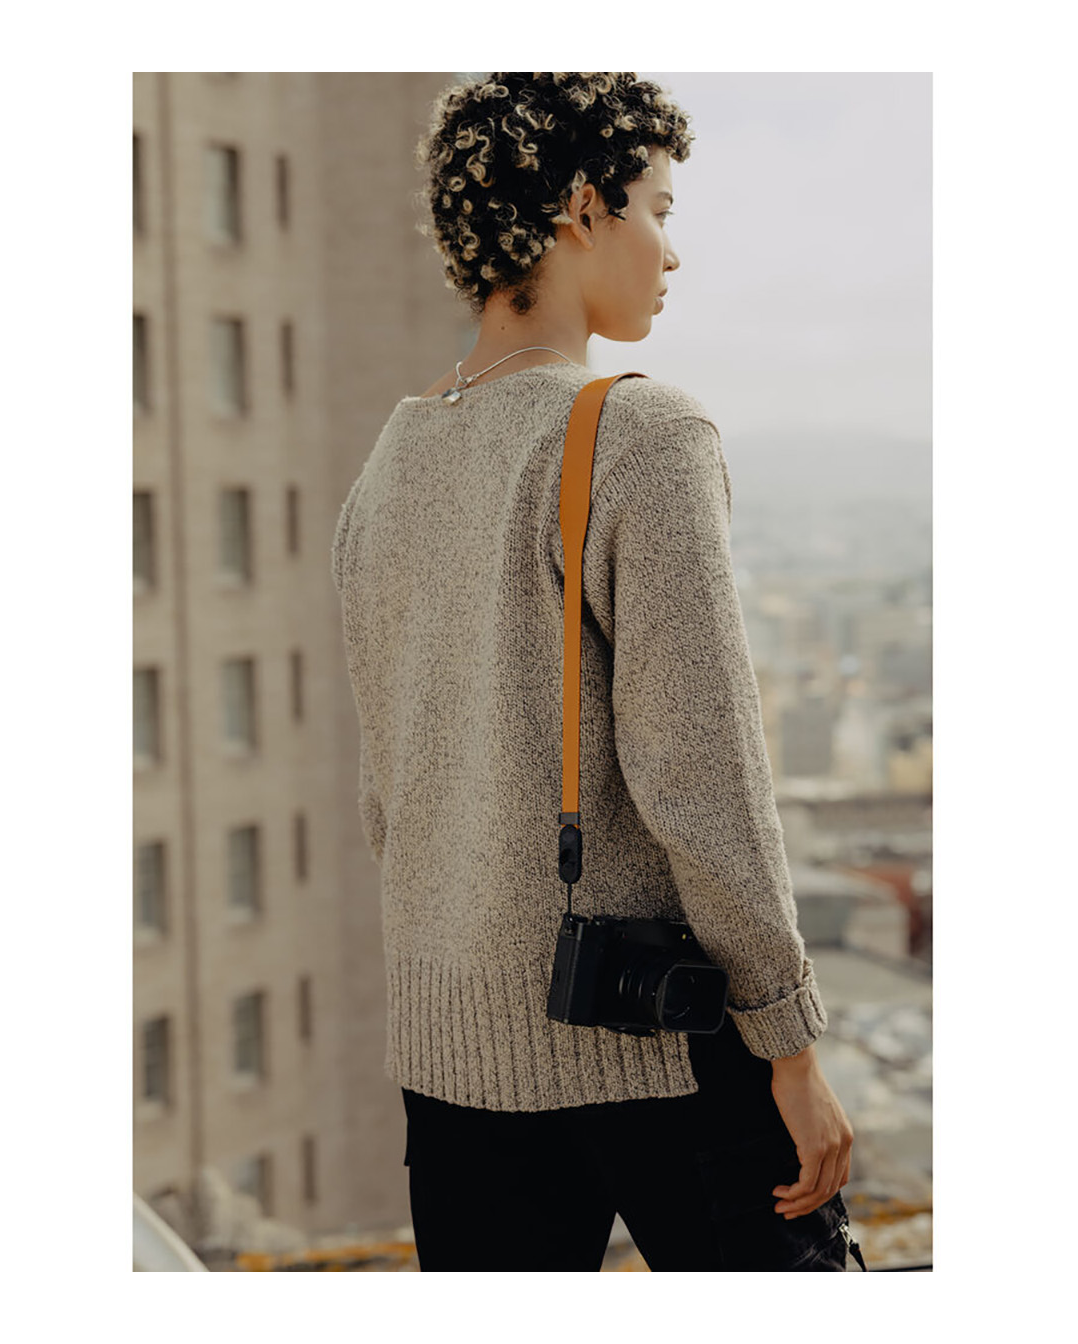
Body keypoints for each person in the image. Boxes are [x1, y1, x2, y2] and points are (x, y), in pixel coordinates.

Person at [331, 72, 863, 1272]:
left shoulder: (389, 463)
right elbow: (701, 780)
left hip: (453, 1064)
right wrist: (790, 1047)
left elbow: (385, 800)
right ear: (582, 207)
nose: (671, 253)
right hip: (653, 1034)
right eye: (658, 210)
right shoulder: (642, 435)